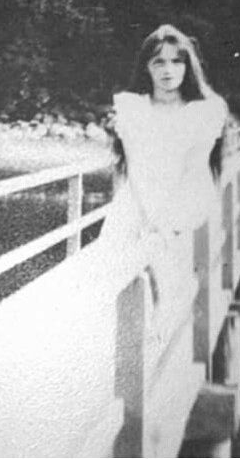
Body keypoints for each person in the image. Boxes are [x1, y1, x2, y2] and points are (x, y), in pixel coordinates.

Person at [81, 24, 227, 304]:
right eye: (158, 62)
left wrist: (168, 222)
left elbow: (195, 169)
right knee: (113, 281)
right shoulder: (133, 107)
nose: (167, 70)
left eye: (176, 61)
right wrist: (152, 221)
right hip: (139, 201)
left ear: (188, 66)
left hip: (187, 201)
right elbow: (136, 169)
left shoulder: (205, 110)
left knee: (176, 286)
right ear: (146, 67)